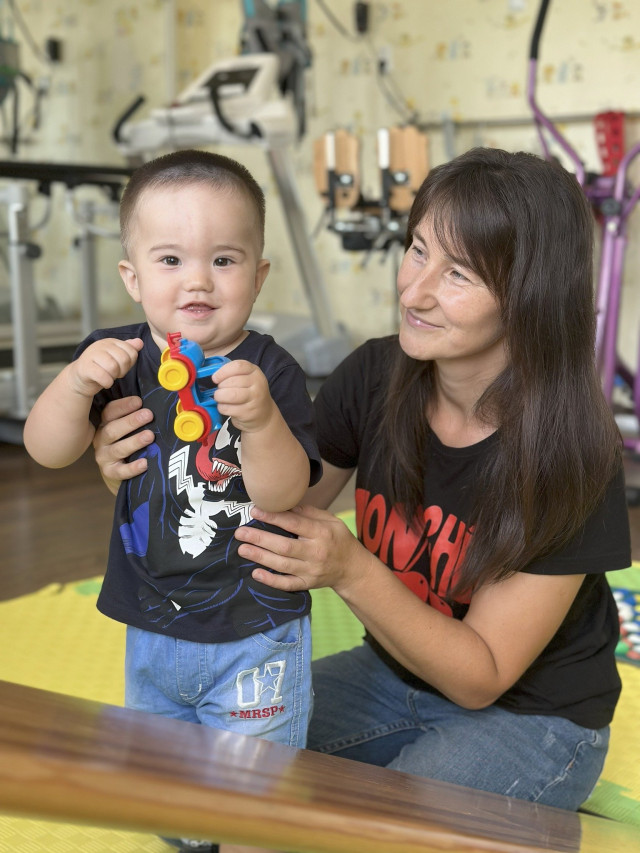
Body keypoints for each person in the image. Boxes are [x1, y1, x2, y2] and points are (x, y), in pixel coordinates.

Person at [93, 147, 631, 821]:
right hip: (389, 675)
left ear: (530, 296)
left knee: (369, 830)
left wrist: (349, 568)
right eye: (418, 251)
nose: (414, 291)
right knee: (194, 797)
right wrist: (141, 463)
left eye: (458, 273)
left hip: (532, 720)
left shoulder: (571, 451)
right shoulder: (375, 375)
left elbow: (482, 676)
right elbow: (262, 514)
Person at [24, 149, 321, 853]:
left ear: (258, 275)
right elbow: (46, 450)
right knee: (172, 803)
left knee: (254, 809)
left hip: (254, 629)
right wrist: (74, 383)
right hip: (150, 622)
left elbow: (286, 493)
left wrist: (262, 421)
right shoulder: (117, 357)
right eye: (170, 260)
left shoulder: (269, 369)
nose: (198, 280)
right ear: (132, 277)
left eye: (223, 259)